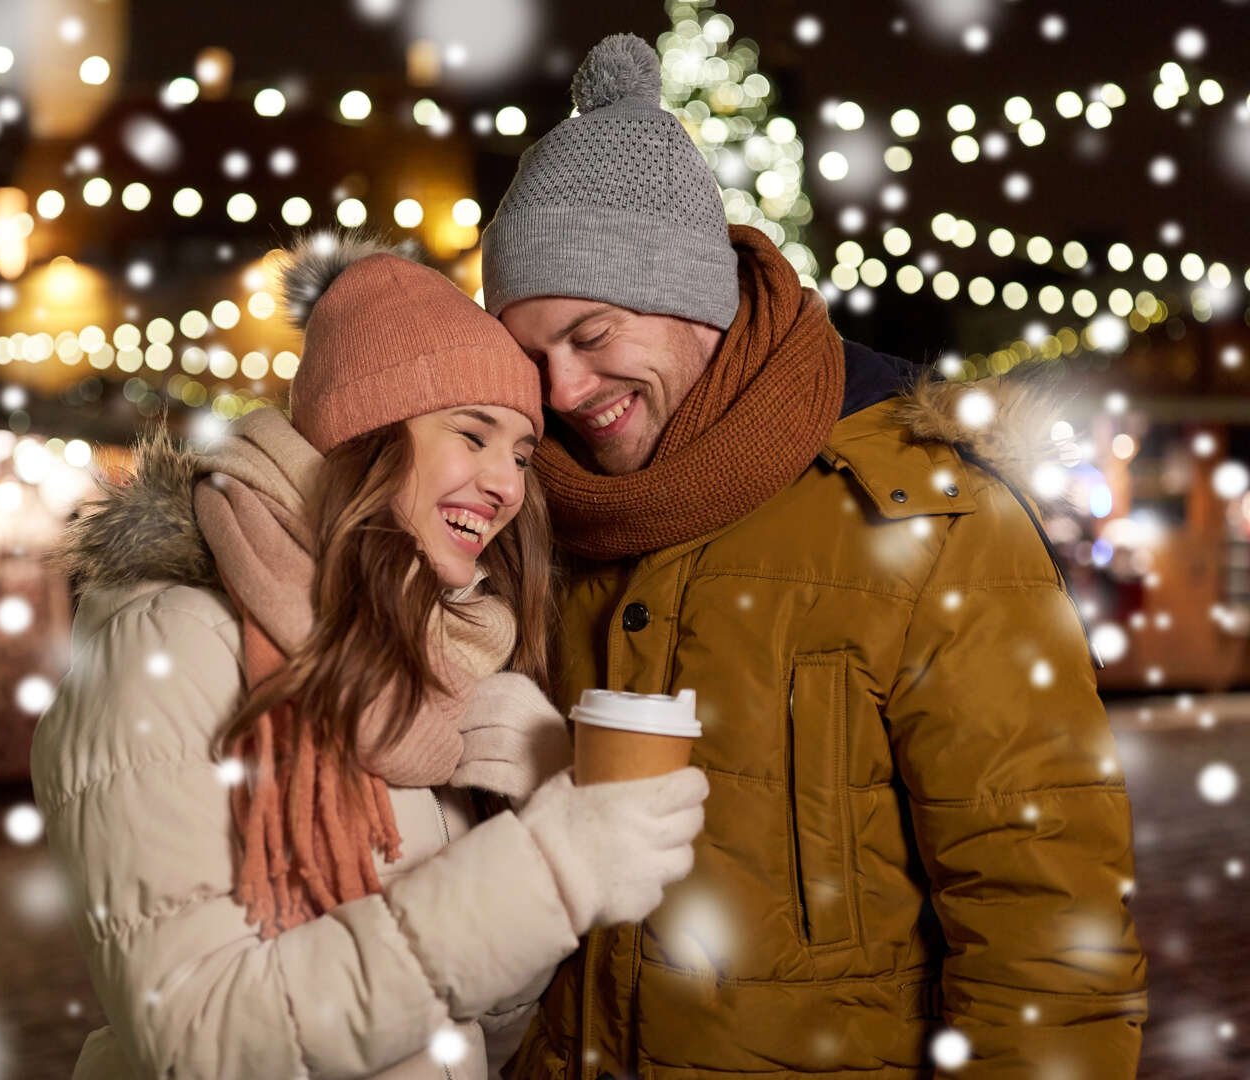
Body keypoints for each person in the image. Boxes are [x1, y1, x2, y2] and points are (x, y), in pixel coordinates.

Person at [479, 33, 1148, 1080]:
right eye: (529, 356)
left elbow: (1046, 918)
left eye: (592, 332)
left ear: (691, 295)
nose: (563, 390)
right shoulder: (535, 518)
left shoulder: (927, 518)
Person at [30, 234, 711, 1079]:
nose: (505, 484)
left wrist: (534, 813)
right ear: (371, 433)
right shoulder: (171, 642)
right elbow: (200, 1037)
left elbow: (471, 1034)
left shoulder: (432, 664)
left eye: (522, 453)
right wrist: (547, 871)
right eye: (473, 434)